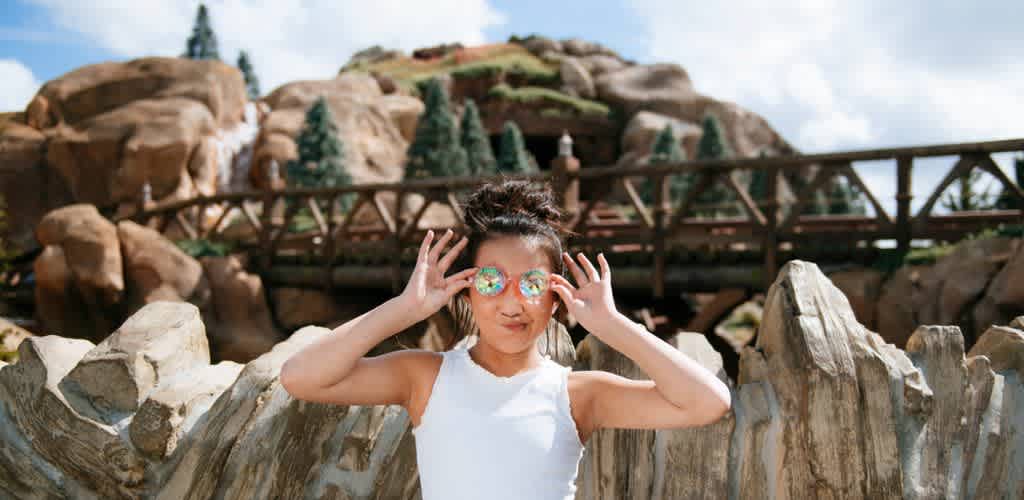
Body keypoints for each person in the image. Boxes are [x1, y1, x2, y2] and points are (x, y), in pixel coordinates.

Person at [280, 179, 732, 500]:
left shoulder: (577, 395)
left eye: (532, 285)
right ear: (469, 290)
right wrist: (404, 308)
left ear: (555, 299)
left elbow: (708, 403)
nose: (512, 303)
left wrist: (612, 326)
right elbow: (301, 378)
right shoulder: (424, 377)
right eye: (493, 281)